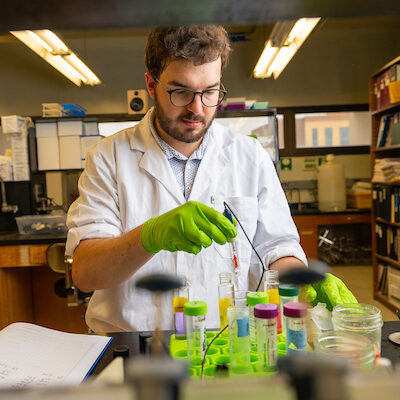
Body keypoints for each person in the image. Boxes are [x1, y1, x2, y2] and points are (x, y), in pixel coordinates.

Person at [66, 25, 355, 333]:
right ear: (151, 84)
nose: (197, 108)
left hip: (227, 342)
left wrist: (299, 279)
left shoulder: (249, 155)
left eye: (210, 92)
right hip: (133, 343)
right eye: (181, 91)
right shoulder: (108, 156)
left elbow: (275, 248)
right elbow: (86, 274)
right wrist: (149, 236)